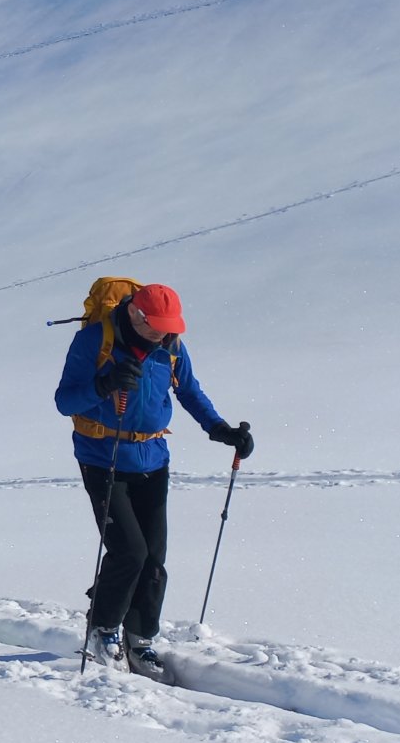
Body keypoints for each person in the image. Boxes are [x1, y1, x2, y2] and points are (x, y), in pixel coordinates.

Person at [55, 280, 254, 677]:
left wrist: (220, 429)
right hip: (102, 457)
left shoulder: (172, 346)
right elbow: (65, 401)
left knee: (154, 557)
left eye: (169, 326)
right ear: (134, 313)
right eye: (156, 325)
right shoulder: (95, 341)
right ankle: (103, 628)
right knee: (129, 550)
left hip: (154, 457)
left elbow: (190, 392)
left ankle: (140, 637)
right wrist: (105, 384)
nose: (162, 333)